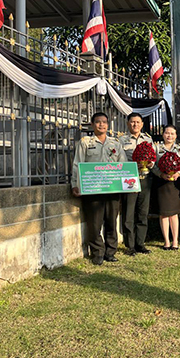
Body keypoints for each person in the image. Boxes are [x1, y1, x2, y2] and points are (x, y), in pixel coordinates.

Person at [71, 112, 126, 265]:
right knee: (94, 223)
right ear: (92, 124)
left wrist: (127, 183)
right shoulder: (85, 142)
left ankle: (110, 252)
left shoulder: (115, 143)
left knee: (111, 221)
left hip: (112, 188)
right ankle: (97, 253)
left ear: (108, 125)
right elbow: (77, 164)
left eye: (104, 122)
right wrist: (75, 184)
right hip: (93, 188)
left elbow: (123, 165)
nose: (101, 125)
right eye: (98, 122)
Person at [119, 113, 154, 256]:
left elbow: (153, 157)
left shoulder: (148, 139)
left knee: (143, 212)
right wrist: (133, 165)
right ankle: (130, 245)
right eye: (132, 122)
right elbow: (119, 159)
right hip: (129, 178)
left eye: (138, 122)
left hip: (145, 178)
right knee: (129, 212)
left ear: (142, 124)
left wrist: (150, 164)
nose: (135, 124)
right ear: (128, 124)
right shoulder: (122, 140)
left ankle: (140, 243)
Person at [152, 125, 180, 250]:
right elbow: (152, 164)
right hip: (162, 183)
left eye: (172, 133)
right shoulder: (157, 148)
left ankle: (175, 240)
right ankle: (166, 241)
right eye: (167, 133)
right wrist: (160, 174)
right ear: (163, 134)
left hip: (175, 183)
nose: (169, 136)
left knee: (174, 214)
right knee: (164, 213)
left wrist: (178, 173)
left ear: (176, 136)